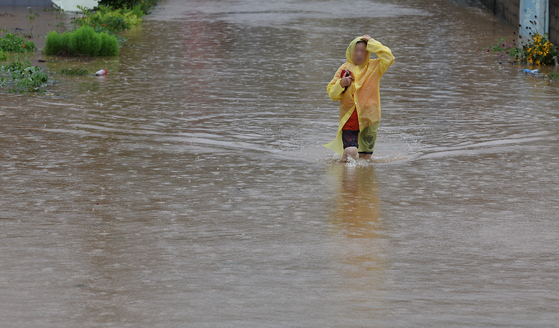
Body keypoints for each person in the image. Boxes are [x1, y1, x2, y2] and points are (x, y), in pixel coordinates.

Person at [325, 35, 395, 161]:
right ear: (350, 51)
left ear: (368, 52)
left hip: (370, 119)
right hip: (349, 118)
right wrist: (341, 83)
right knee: (351, 151)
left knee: (366, 158)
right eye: (356, 50)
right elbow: (331, 93)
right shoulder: (344, 68)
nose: (359, 53)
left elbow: (389, 57)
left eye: (362, 50)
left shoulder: (375, 67)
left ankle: (360, 179)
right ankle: (345, 176)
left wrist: (372, 42)